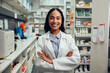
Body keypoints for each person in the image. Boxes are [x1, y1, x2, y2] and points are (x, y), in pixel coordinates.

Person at [35, 8, 80, 73]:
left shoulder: (69, 39)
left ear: (62, 21)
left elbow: (76, 60)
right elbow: (39, 65)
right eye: (52, 18)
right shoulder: (41, 39)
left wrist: (50, 61)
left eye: (58, 18)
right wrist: (64, 62)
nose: (55, 21)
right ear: (48, 20)